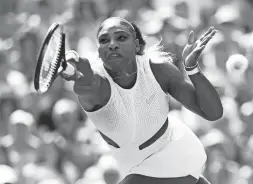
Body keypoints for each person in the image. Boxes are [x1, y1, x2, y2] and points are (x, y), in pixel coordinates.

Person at [61, 17, 223, 184]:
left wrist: (191, 68)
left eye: (121, 37)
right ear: (99, 51)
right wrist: (74, 63)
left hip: (175, 152)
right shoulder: (96, 85)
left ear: (137, 45)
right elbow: (86, 77)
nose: (112, 44)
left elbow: (213, 112)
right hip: (137, 170)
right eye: (104, 40)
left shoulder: (159, 69)